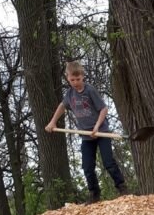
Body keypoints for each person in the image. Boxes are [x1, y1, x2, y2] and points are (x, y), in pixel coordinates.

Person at [45, 61, 128, 203]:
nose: (75, 82)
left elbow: (103, 109)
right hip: (86, 137)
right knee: (87, 166)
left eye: (78, 79)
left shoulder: (90, 90)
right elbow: (62, 106)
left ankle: (122, 188)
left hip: (101, 133)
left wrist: (96, 127)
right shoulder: (70, 94)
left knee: (109, 162)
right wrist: (53, 121)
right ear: (67, 78)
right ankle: (94, 194)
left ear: (83, 77)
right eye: (72, 80)